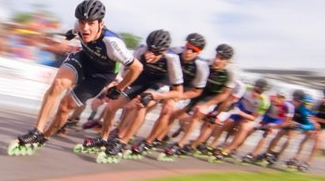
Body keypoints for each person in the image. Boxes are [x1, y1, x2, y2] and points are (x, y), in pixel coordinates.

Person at [7, 0, 143, 155]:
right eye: (82, 22)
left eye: (91, 23)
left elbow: (137, 68)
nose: (85, 28)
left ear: (101, 23)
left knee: (65, 107)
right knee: (58, 84)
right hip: (83, 60)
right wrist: (68, 37)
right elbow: (72, 32)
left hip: (101, 75)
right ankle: (37, 130)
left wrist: (120, 88)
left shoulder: (113, 43)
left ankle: (45, 136)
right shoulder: (78, 27)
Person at [93, 29, 185, 163]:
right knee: (111, 106)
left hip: (159, 84)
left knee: (143, 103)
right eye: (150, 49)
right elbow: (127, 72)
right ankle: (104, 138)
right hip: (142, 78)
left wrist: (156, 96)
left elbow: (178, 92)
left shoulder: (172, 59)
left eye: (156, 53)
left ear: (164, 51)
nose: (150, 55)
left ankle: (122, 143)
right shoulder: (141, 50)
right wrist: (119, 87)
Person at [127, 33, 209, 158]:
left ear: (199, 52)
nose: (188, 51)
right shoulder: (174, 52)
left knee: (167, 110)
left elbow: (196, 91)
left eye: (194, 50)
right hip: (164, 84)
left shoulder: (201, 66)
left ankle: (149, 141)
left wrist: (173, 97)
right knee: (142, 102)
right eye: (187, 47)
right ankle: (127, 132)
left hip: (182, 92)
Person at [158, 43, 237, 160]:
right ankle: (160, 137)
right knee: (174, 113)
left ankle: (183, 145)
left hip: (214, 97)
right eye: (217, 56)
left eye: (221, 59)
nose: (217, 60)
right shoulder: (206, 64)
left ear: (227, 61)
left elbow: (225, 95)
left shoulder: (230, 73)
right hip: (200, 92)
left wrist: (212, 109)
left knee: (200, 114)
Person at [208, 78, 271, 161]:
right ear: (253, 87)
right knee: (228, 122)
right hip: (240, 108)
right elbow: (234, 98)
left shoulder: (265, 102)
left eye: (259, 92)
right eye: (255, 90)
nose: (255, 93)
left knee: (244, 128)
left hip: (249, 114)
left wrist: (239, 113)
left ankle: (229, 149)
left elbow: (253, 118)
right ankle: (213, 143)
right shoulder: (246, 88)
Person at [241, 88, 295, 163]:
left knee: (266, 133)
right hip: (267, 116)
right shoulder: (270, 99)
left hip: (277, 120)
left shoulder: (289, 107)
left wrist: (274, 127)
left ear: (284, 99)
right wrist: (258, 121)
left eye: (281, 97)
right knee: (251, 130)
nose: (278, 99)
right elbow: (261, 110)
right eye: (278, 96)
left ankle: (253, 154)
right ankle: (236, 147)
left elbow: (286, 122)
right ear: (275, 95)